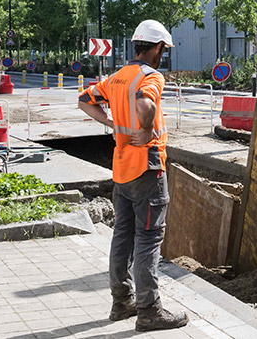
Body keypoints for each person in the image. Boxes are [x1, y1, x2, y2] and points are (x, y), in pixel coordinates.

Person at [78, 19, 188, 331]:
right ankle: (150, 310)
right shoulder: (150, 76)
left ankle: (121, 301)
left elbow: (84, 100)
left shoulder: (117, 77)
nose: (162, 55)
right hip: (147, 167)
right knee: (149, 238)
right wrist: (145, 128)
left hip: (122, 168)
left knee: (122, 236)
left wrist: (113, 125)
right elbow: (145, 103)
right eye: (163, 50)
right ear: (156, 48)